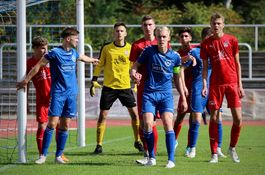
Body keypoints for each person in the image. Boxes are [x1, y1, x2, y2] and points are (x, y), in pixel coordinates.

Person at [17, 27, 99, 164]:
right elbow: (38, 66)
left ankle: (59, 155)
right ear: (68, 39)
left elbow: (82, 57)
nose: (78, 40)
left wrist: (93, 60)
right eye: (76, 38)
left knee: (66, 124)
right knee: (52, 123)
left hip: (72, 94)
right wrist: (26, 80)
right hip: (58, 93)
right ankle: (43, 155)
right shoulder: (55, 53)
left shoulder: (73, 52)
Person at [131, 26, 188, 168]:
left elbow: (176, 77)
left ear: (169, 38)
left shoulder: (175, 57)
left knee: (168, 123)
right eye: (159, 36)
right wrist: (133, 73)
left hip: (166, 95)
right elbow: (135, 65)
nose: (161, 39)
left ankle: (171, 160)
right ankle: (152, 157)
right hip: (149, 93)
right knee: (148, 124)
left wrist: (183, 97)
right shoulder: (149, 51)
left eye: (164, 36)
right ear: (156, 37)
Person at [90, 22, 143, 154]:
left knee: (135, 115)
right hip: (109, 87)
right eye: (117, 31)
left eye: (121, 31)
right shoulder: (107, 48)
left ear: (125, 33)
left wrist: (136, 83)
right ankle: (99, 145)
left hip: (125, 87)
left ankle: (137, 141)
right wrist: (94, 80)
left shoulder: (131, 48)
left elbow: (134, 67)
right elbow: (99, 64)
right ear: (114, 33)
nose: (119, 33)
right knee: (102, 116)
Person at [201, 13, 245, 163]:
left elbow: (238, 64)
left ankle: (232, 148)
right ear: (210, 24)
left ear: (223, 25)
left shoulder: (232, 40)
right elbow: (205, 67)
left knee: (238, 119)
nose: (216, 25)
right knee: (213, 118)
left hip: (232, 83)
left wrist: (240, 85)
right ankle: (214, 153)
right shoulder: (206, 43)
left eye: (219, 23)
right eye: (214, 23)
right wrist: (205, 85)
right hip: (215, 84)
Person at [184, 27, 226, 158]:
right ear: (204, 38)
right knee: (196, 118)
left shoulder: (216, 52)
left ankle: (218, 148)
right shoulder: (195, 52)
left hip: (214, 89)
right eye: (210, 37)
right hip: (198, 89)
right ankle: (192, 148)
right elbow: (181, 67)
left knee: (218, 118)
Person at [26, 36, 69, 162]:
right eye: (42, 49)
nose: (45, 51)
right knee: (42, 127)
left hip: (56, 98)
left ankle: (60, 154)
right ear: (35, 48)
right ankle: (42, 155)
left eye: (46, 48)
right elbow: (27, 82)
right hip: (42, 101)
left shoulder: (51, 60)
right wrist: (27, 101)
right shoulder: (29, 63)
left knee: (59, 125)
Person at [129, 15, 159, 164]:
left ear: (154, 26)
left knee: (154, 122)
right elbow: (133, 67)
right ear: (142, 27)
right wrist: (134, 76)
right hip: (143, 88)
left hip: (159, 88)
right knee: (143, 122)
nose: (148, 27)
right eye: (145, 25)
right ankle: (147, 154)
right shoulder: (137, 45)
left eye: (150, 24)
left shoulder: (161, 42)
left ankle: (153, 154)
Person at [173, 27, 198, 156]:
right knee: (180, 116)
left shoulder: (196, 50)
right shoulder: (177, 55)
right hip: (185, 90)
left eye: (186, 36)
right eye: (182, 36)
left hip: (196, 89)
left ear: (190, 38)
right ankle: (173, 140)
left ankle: (190, 147)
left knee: (194, 118)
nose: (184, 39)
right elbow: (176, 73)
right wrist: (182, 89)